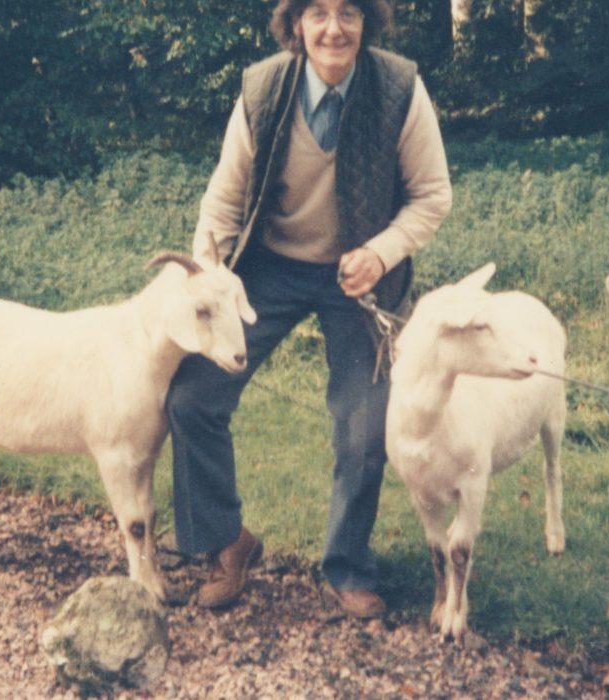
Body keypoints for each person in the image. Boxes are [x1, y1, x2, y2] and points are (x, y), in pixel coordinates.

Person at [165, 0, 451, 618]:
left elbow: (433, 196)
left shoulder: (402, 88)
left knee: (363, 422)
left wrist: (380, 252)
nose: (333, 28)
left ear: (367, 24)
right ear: (294, 23)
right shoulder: (263, 89)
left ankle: (346, 567)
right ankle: (226, 543)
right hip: (269, 267)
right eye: (317, 12)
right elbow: (222, 202)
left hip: (359, 276)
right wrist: (209, 281)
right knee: (192, 396)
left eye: (348, 13)